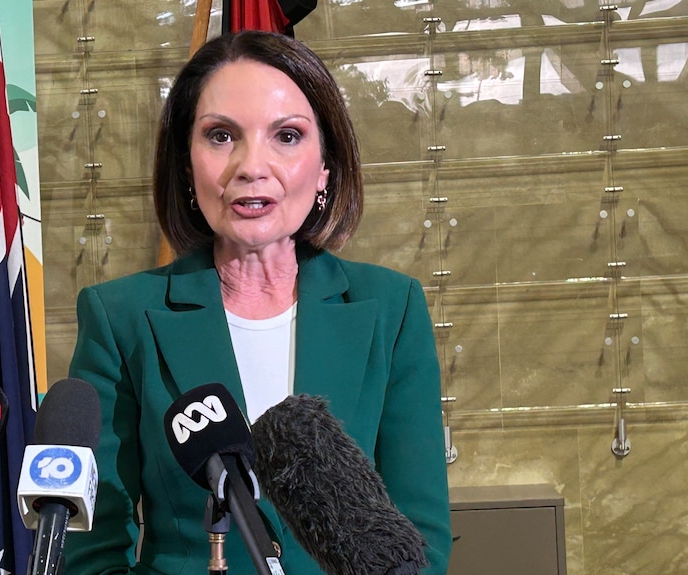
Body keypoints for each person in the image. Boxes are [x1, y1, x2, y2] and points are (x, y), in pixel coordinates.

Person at [63, 30, 452, 575]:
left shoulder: (392, 309)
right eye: (221, 136)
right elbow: (92, 548)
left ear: (325, 168)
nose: (251, 165)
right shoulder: (120, 317)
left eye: (287, 136)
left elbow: (421, 540)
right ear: (185, 164)